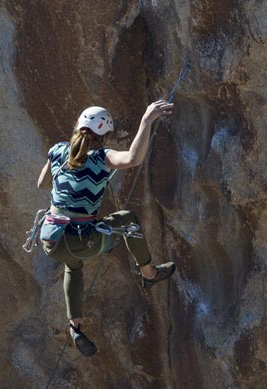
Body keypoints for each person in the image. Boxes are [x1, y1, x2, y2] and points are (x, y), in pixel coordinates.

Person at [36, 101, 177, 357]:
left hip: (50, 240)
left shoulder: (57, 151)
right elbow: (133, 159)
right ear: (105, 135)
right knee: (127, 218)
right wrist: (146, 120)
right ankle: (149, 272)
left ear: (78, 127)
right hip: (82, 240)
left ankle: (75, 325)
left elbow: (41, 184)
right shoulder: (102, 157)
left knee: (73, 266)